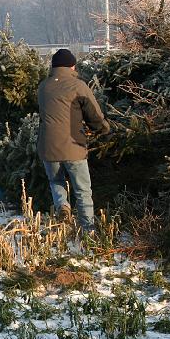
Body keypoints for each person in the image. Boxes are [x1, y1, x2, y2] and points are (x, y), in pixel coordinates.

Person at [37, 48, 110, 231]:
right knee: (83, 190)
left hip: (47, 147)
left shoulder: (43, 87)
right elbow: (94, 115)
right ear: (72, 66)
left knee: (56, 181)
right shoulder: (78, 86)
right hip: (73, 145)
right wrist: (104, 129)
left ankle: (63, 206)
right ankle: (88, 229)